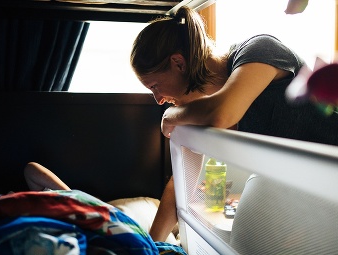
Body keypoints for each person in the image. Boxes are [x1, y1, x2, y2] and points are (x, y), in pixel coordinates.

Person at [130, 6, 338, 242]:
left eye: (154, 86)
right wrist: (152, 244)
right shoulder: (200, 110)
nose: (158, 100)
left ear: (178, 63)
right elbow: (182, 181)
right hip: (314, 189)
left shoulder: (259, 49)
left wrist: (171, 116)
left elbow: (223, 113)